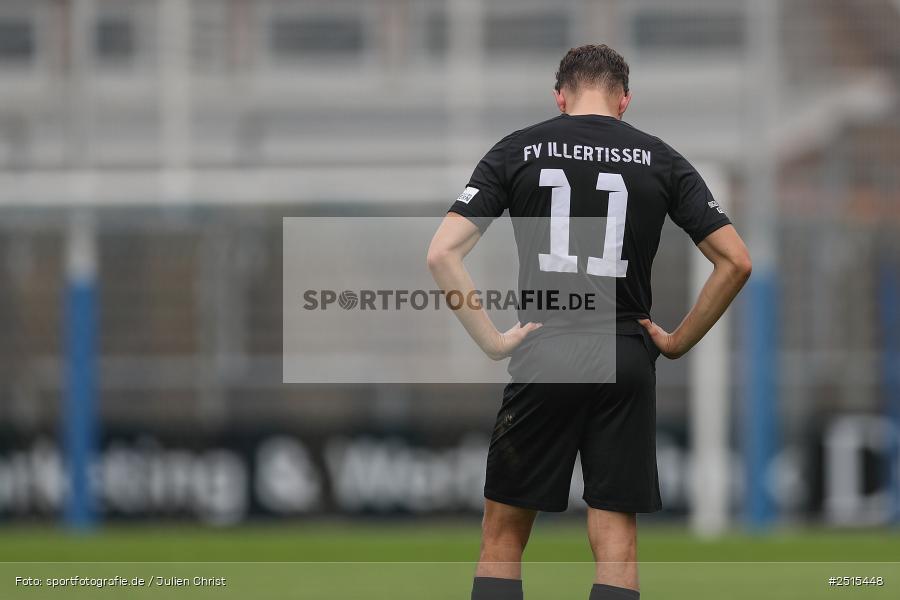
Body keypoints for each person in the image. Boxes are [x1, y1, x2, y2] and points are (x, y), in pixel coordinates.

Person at [427, 44, 751, 600]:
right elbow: (736, 261)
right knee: (616, 542)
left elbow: (441, 254)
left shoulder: (518, 149)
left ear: (560, 96)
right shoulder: (661, 159)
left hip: (545, 349)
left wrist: (492, 342)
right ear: (624, 100)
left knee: (503, 539)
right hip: (625, 352)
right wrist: (675, 342)